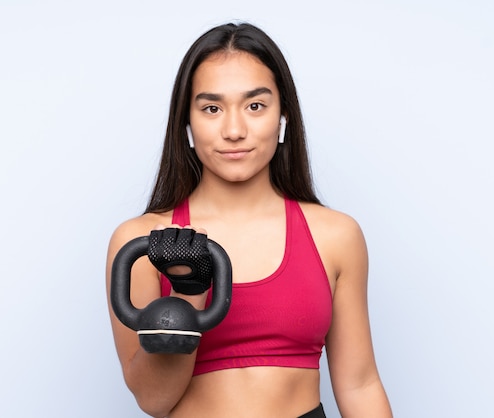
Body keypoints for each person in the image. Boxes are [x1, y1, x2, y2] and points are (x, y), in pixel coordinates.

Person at [106, 22, 392, 418]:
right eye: (212, 108)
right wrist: (189, 290)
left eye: (255, 106)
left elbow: (360, 384)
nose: (234, 130)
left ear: (283, 116)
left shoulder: (335, 235)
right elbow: (154, 400)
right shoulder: (141, 242)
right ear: (187, 123)